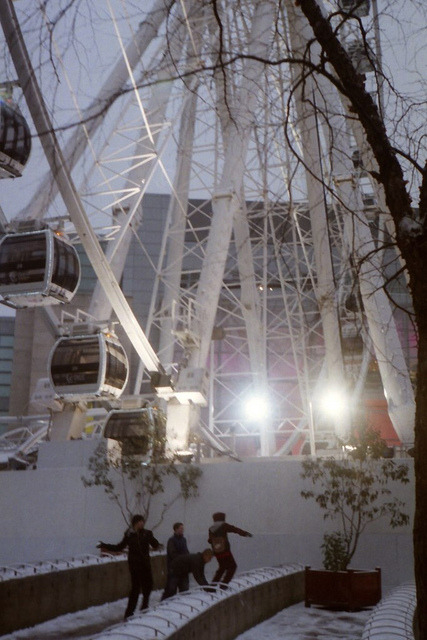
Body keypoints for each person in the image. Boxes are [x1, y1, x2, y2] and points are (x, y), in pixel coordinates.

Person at [97, 514, 162, 619]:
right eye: (139, 521)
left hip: (145, 564)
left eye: (142, 521)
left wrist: (155, 542)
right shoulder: (129, 535)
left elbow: (155, 544)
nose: (142, 523)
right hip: (135, 565)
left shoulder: (147, 533)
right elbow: (119, 546)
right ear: (135, 523)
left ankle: (144, 607)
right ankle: (129, 613)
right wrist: (104, 545)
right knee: (135, 589)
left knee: (148, 585)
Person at [208, 512, 252, 585]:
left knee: (222, 568)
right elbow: (235, 529)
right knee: (233, 566)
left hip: (217, 552)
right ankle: (224, 584)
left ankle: (213, 586)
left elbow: (209, 540)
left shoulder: (211, 528)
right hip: (225, 551)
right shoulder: (224, 525)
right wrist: (245, 533)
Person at [161, 522, 190, 600]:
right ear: (176, 529)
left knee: (184, 589)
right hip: (174, 569)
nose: (182, 530)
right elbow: (172, 554)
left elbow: (186, 551)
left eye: (182, 528)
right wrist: (183, 558)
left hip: (183, 569)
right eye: (181, 528)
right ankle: (164, 604)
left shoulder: (184, 540)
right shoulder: (171, 540)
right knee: (171, 590)